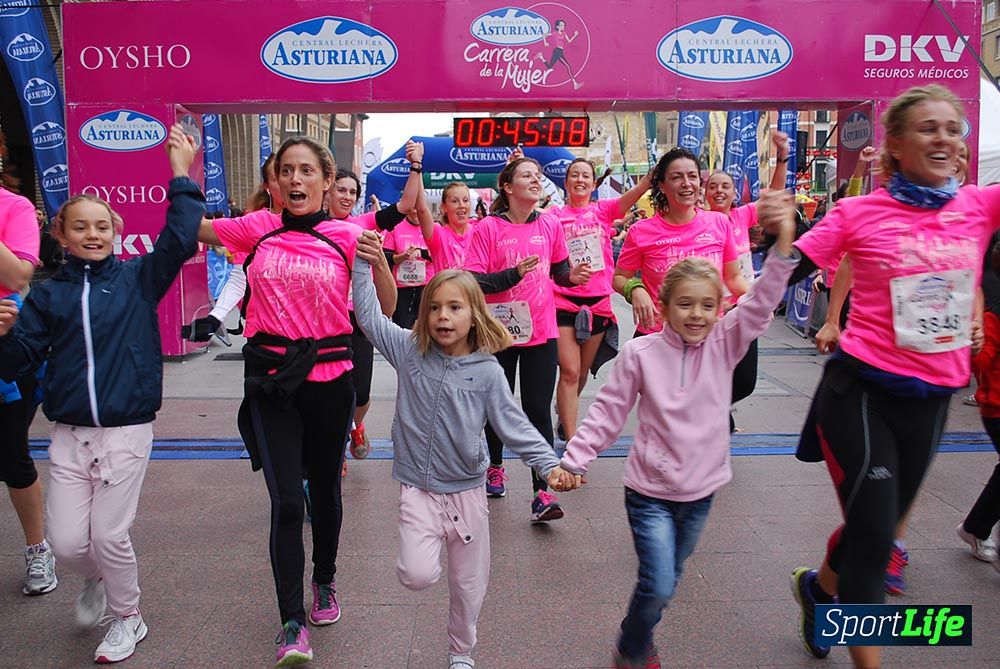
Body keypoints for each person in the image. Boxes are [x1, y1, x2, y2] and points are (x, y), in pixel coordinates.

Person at [787, 84, 1000, 668]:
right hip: (861, 391)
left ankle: (818, 593)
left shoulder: (981, 206)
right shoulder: (858, 211)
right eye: (928, 128)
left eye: (953, 129)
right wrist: (773, 237)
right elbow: (789, 266)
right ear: (897, 145)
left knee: (867, 529)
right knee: (879, 541)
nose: (944, 138)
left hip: (932, 401)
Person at [551, 190, 799, 669]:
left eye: (707, 305)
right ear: (664, 306)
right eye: (685, 304)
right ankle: (632, 644)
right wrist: (573, 460)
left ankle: (640, 636)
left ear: (719, 307)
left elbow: (764, 300)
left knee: (671, 575)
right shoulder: (641, 355)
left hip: (702, 490)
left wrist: (783, 242)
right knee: (658, 582)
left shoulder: (725, 341)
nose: (697, 315)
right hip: (649, 491)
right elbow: (606, 411)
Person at [0, 124, 202, 664]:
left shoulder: (138, 279)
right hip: (68, 436)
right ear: (61, 237)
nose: (92, 234)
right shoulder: (47, 298)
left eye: (101, 226)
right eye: (79, 227)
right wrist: (3, 337)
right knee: (68, 544)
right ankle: (97, 580)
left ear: (115, 231)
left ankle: (128, 618)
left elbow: (180, 240)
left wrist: (179, 173)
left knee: (110, 535)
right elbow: (17, 363)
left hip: (127, 431)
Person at [197, 135, 396, 666]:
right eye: (286, 170)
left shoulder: (350, 235)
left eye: (307, 171)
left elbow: (384, 311)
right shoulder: (257, 230)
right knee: (287, 500)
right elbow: (191, 227)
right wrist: (177, 171)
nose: (296, 180)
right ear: (275, 182)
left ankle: (325, 580)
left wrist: (378, 266)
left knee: (326, 491)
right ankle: (291, 621)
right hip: (270, 382)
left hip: (332, 383)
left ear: (327, 182)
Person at [351, 229, 566, 669]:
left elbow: (514, 425)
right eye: (434, 308)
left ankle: (460, 653)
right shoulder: (410, 350)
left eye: (454, 307)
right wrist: (364, 264)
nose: (443, 317)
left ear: (474, 315)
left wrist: (549, 464)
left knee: (469, 587)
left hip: (468, 494)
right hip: (418, 489)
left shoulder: (487, 371)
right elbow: (370, 319)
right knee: (417, 575)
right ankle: (427, 570)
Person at [464, 157, 591, 520]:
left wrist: (573, 277)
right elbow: (472, 279)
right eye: (527, 176)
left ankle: (542, 493)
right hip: (498, 332)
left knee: (537, 409)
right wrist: (511, 276)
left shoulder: (549, 224)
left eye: (538, 176)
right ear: (507, 186)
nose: (536, 181)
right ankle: (495, 467)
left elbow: (560, 271)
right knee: (496, 407)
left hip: (541, 331)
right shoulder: (489, 227)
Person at [329, 147, 422, 461]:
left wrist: (416, 165)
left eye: (352, 192)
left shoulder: (365, 222)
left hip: (359, 318)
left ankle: (356, 425)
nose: (346, 196)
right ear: (327, 191)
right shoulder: (312, 226)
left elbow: (407, 204)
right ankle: (336, 449)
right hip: (326, 320)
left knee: (362, 392)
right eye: (340, 190)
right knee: (333, 390)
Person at [550, 159, 651, 442]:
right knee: (569, 371)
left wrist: (648, 180)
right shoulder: (554, 216)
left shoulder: (604, 211)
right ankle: (572, 441)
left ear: (594, 184)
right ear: (566, 183)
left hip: (597, 304)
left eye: (586, 175)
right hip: (563, 302)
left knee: (581, 374)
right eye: (574, 175)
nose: (580, 180)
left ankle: (564, 412)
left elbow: (630, 197)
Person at [614, 147, 746, 338]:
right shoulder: (640, 231)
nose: (686, 184)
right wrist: (635, 289)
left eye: (692, 176)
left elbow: (733, 278)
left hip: (707, 337)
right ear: (661, 185)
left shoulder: (719, 223)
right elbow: (619, 278)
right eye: (676, 178)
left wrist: (757, 301)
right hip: (656, 337)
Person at [0, 134, 54, 598]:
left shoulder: (14, 207)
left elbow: (18, 276)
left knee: (10, 453)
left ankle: (38, 549)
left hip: (6, 354)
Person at [185, 153, 284, 343]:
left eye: (299, 171)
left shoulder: (326, 228)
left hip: (315, 341)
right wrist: (215, 317)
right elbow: (240, 278)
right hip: (265, 336)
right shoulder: (255, 224)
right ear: (267, 187)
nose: (291, 180)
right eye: (279, 175)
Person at [960, 234, 1000, 569]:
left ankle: (975, 527)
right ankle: (975, 528)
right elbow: (980, 362)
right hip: (997, 405)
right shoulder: (993, 305)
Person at [534, 19, 583, 89]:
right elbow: (544, 35)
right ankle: (575, 84)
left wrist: (575, 35)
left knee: (549, 67)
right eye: (561, 25)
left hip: (559, 51)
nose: (563, 26)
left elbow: (569, 41)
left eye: (563, 25)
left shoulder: (564, 33)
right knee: (568, 66)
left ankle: (541, 57)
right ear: (557, 26)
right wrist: (545, 43)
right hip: (557, 52)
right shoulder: (555, 33)